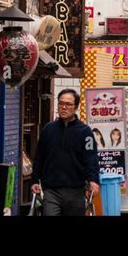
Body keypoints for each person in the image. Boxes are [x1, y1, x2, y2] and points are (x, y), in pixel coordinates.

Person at [31, 88, 100, 216]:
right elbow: (39, 157)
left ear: (76, 107)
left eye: (68, 104)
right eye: (61, 103)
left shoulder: (85, 132)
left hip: (76, 190)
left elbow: (91, 158)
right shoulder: (48, 129)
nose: (63, 107)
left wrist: (93, 180)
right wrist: (35, 179)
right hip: (51, 190)